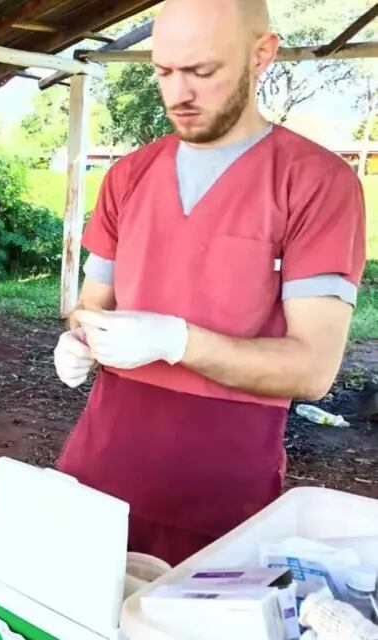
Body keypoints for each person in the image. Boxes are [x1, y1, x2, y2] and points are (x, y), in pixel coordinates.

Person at [53, 0, 366, 566]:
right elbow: (90, 306)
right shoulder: (129, 176)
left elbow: (312, 369)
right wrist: (77, 337)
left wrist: (178, 341)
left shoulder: (316, 184)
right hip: (100, 460)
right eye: (164, 72)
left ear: (261, 55)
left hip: (219, 486)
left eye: (203, 72)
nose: (179, 94)